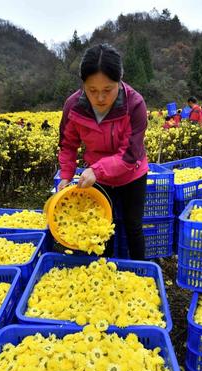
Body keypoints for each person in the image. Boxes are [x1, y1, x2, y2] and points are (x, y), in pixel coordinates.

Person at [57, 43, 148, 260]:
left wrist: (97, 170)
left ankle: (139, 271)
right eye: (92, 90)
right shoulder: (74, 106)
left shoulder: (134, 105)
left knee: (133, 225)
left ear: (119, 81)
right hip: (97, 178)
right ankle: (103, 270)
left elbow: (129, 155)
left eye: (107, 90)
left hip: (131, 174)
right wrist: (65, 176)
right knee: (100, 226)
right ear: (83, 85)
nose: (100, 98)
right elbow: (68, 145)